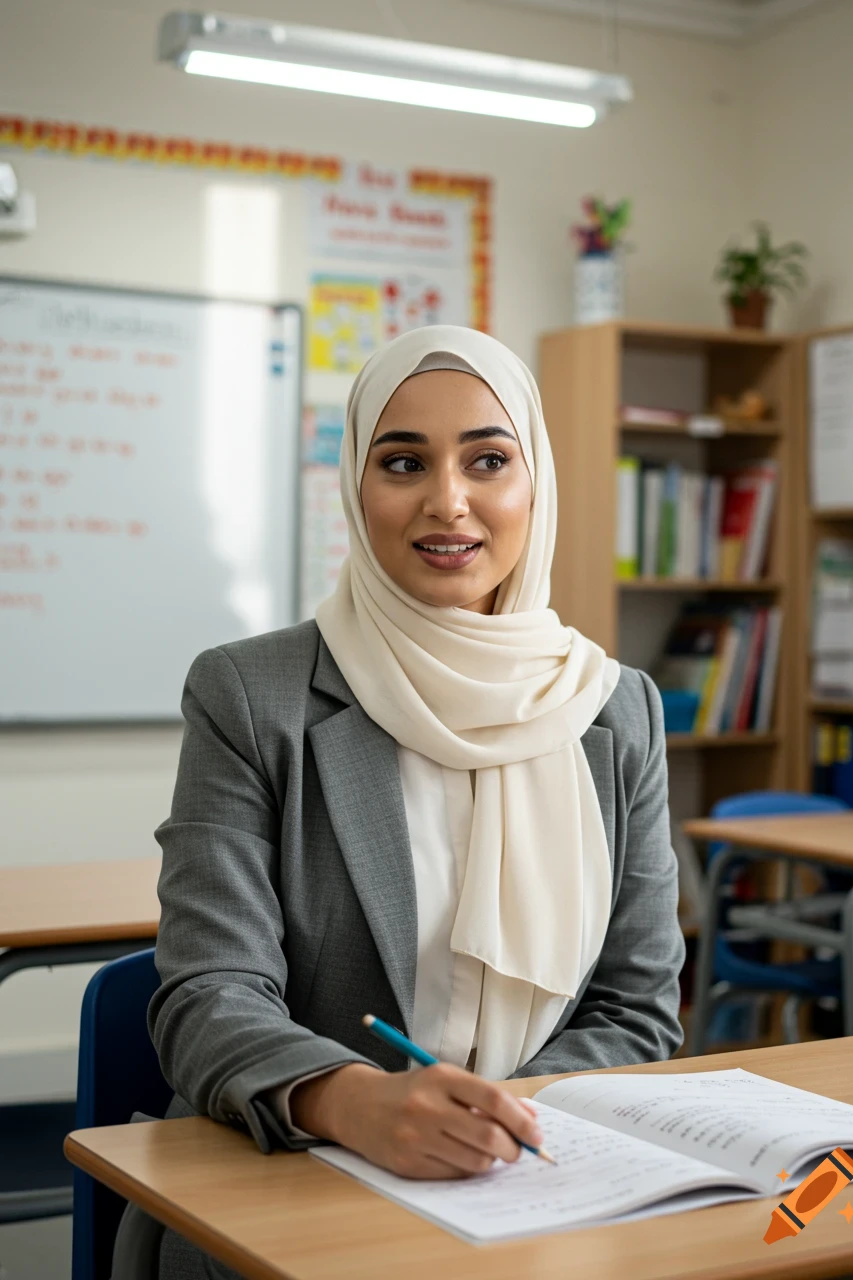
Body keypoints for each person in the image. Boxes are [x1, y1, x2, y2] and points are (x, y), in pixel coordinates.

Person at [119, 325, 685, 1280]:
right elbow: (208, 996)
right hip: (295, 1187)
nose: (448, 501)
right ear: (355, 483)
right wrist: (351, 1101)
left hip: (543, 1183)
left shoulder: (614, 708)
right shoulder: (252, 696)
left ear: (534, 480)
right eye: (403, 461)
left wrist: (499, 1120)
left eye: (488, 460)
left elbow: (639, 1007)